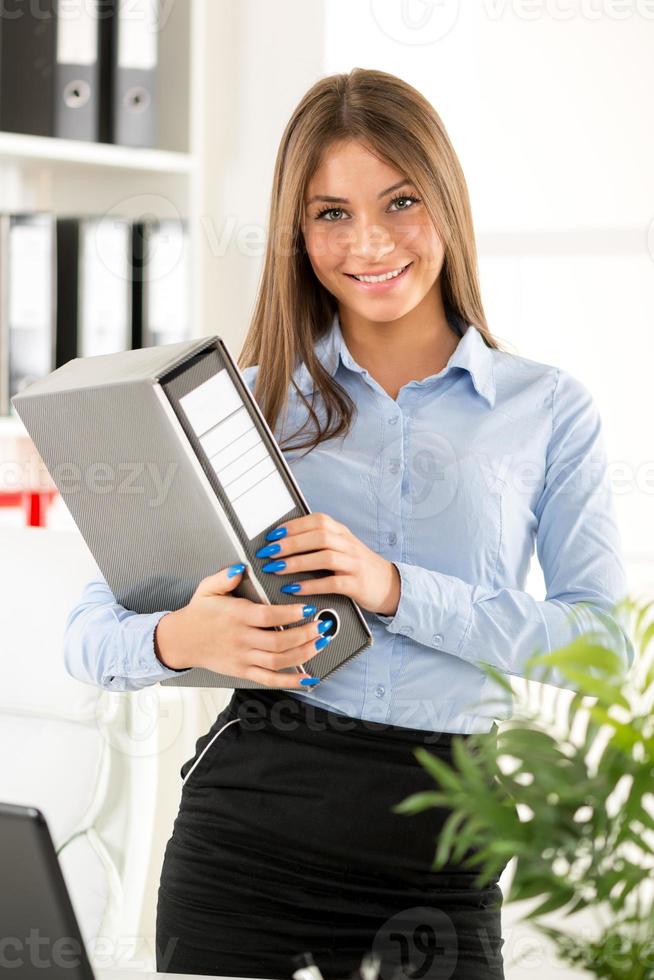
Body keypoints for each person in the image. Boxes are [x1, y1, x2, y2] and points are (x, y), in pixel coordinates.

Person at [63, 68, 633, 979]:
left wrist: (397, 590)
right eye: (331, 213)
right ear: (298, 232)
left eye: (400, 201)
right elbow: (88, 631)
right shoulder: (239, 407)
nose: (369, 242)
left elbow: (605, 649)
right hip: (247, 837)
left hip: (445, 860)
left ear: (445, 201)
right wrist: (179, 638)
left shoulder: (548, 410)